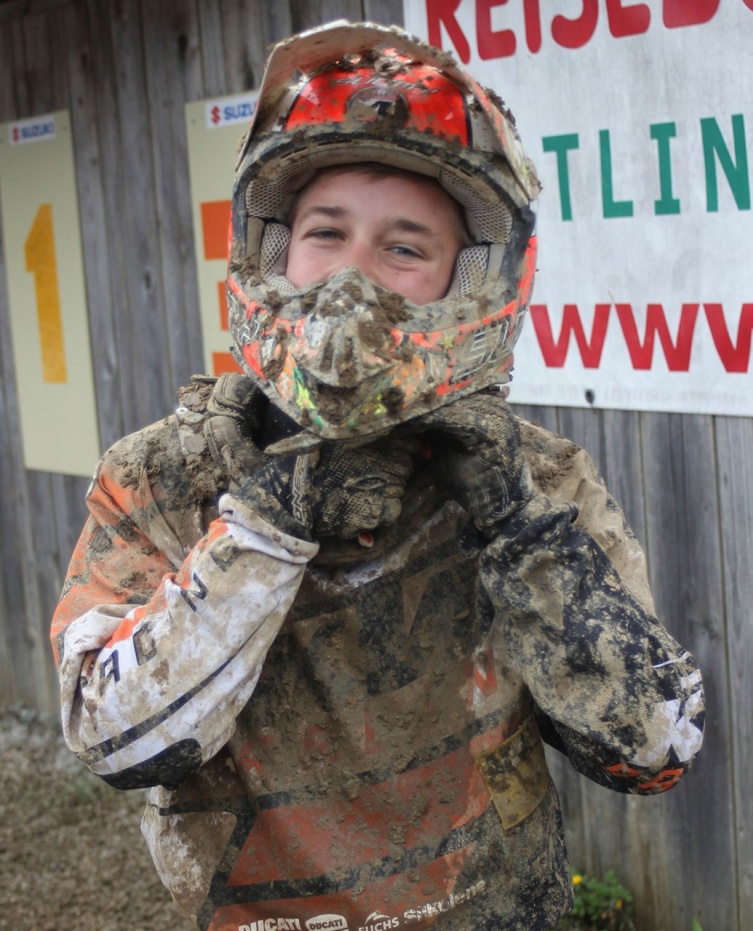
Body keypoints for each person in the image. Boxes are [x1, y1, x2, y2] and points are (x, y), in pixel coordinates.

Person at [51, 20, 704, 931]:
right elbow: (111, 738)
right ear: (271, 251)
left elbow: (654, 748)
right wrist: (264, 526)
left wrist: (522, 530)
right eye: (326, 233)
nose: (352, 280)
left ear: (468, 282)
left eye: (404, 248)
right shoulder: (166, 475)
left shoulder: (535, 479)